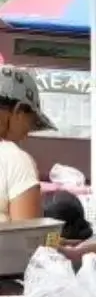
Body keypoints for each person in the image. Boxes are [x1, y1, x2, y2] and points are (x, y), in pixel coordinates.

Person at [0, 66, 49, 221]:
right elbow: (27, 234)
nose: (27, 134)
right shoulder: (15, 160)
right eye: (31, 122)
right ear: (19, 111)